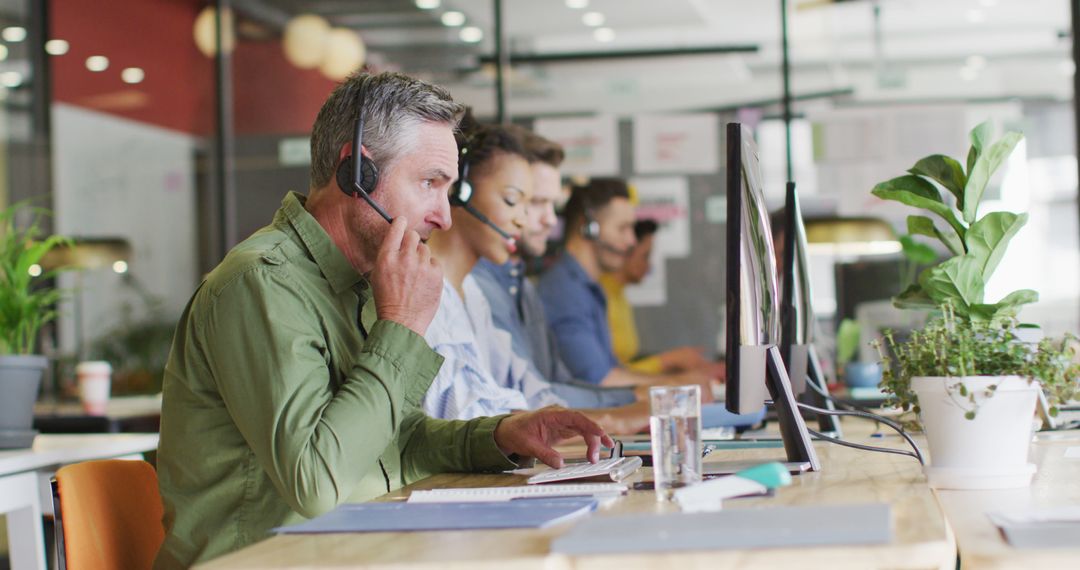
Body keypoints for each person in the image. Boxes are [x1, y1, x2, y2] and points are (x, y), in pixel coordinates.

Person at [154, 72, 612, 569]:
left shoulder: (363, 280)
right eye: (429, 184)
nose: (444, 217)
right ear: (357, 175)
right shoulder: (260, 284)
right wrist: (401, 327)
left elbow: (397, 442)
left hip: (365, 549)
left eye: (448, 189)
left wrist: (501, 435)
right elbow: (317, 482)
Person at [422, 120, 647, 434]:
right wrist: (616, 419)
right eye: (514, 201)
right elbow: (469, 416)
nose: (523, 219)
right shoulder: (424, 292)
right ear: (459, 191)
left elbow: (529, 391)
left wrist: (629, 409)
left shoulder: (473, 294)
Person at [471, 125, 638, 408]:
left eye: (551, 205)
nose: (549, 220)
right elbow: (524, 402)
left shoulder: (523, 287)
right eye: (533, 202)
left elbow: (552, 384)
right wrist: (638, 403)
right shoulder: (477, 289)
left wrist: (639, 401)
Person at [538, 178, 717, 394]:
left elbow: (615, 371)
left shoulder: (588, 289)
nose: (632, 241)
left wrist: (678, 380)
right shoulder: (564, 292)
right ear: (588, 228)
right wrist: (680, 385)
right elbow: (600, 381)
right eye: (623, 229)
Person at [600, 219, 722, 377]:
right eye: (645, 256)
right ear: (626, 250)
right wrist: (667, 360)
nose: (649, 266)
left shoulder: (619, 294)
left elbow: (625, 366)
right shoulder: (601, 295)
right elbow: (608, 376)